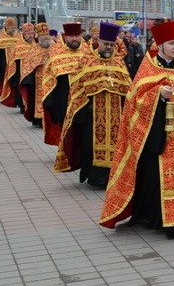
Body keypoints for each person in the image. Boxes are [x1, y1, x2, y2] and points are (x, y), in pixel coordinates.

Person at [99, 20, 174, 239]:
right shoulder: (148, 67)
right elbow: (135, 100)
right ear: (160, 44)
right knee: (156, 177)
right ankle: (157, 216)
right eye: (171, 43)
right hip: (157, 134)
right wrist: (158, 95)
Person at [55, 22, 131, 188]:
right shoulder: (87, 61)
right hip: (92, 115)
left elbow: (128, 89)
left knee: (117, 146)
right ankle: (94, 176)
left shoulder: (119, 64)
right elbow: (76, 87)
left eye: (112, 45)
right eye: (106, 44)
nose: (108, 48)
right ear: (99, 42)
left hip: (116, 116)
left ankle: (112, 177)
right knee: (90, 146)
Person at [42, 23, 87, 145]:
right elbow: (49, 79)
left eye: (77, 36)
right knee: (66, 131)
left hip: (84, 102)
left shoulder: (88, 53)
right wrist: (50, 104)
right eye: (71, 36)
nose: (74, 39)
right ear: (65, 37)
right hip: (63, 101)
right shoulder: (56, 54)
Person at [19, 23, 54, 127]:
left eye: (47, 34)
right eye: (43, 35)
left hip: (53, 79)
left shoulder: (56, 47)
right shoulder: (34, 49)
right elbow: (28, 66)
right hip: (38, 80)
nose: (45, 36)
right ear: (38, 36)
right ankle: (39, 120)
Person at [0, 23, 35, 110]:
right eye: (29, 34)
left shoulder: (36, 45)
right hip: (21, 73)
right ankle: (22, 106)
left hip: (33, 73)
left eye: (32, 33)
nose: (31, 36)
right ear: (24, 34)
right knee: (22, 90)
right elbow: (13, 61)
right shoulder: (19, 46)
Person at [0, 17, 19, 96]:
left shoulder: (18, 37)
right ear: (6, 28)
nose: (13, 29)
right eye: (12, 28)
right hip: (4, 64)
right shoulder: (0, 39)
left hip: (16, 64)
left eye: (14, 28)